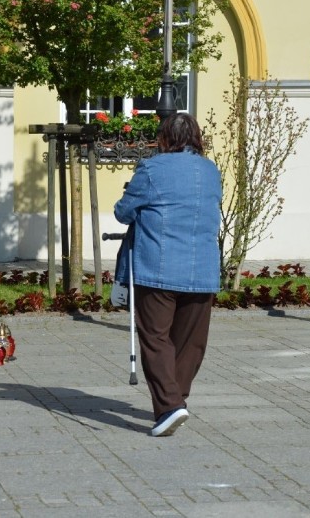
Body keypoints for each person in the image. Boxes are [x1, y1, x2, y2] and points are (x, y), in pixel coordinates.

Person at [113, 112, 221, 437]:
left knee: (156, 338)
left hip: (158, 268)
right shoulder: (211, 171)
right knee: (190, 342)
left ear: (163, 138)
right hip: (202, 269)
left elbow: (122, 212)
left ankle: (170, 406)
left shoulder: (152, 169)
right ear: (196, 138)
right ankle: (176, 401)